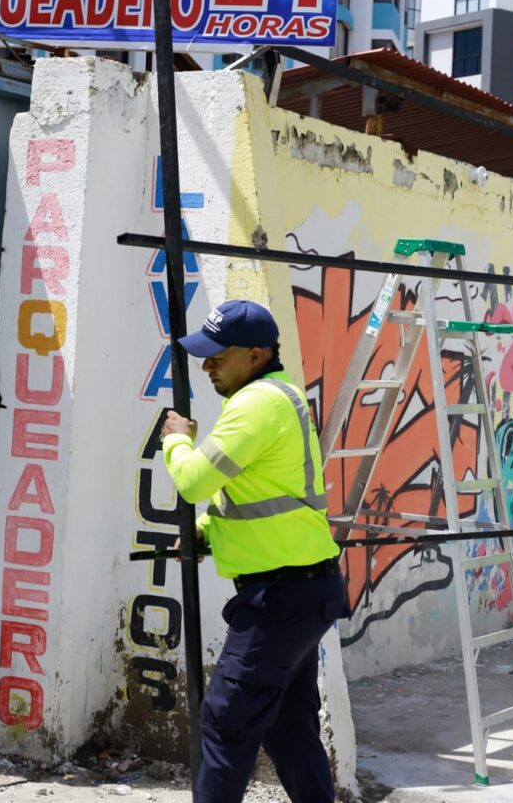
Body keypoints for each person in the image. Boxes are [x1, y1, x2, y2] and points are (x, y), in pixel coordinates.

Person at [161, 300, 347, 802]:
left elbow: (194, 480)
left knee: (226, 721)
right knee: (288, 728)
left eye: (219, 355)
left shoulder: (256, 405)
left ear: (256, 355)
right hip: (305, 590)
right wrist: (206, 530)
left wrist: (176, 440)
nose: (207, 365)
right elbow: (256, 494)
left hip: (280, 598)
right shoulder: (279, 396)